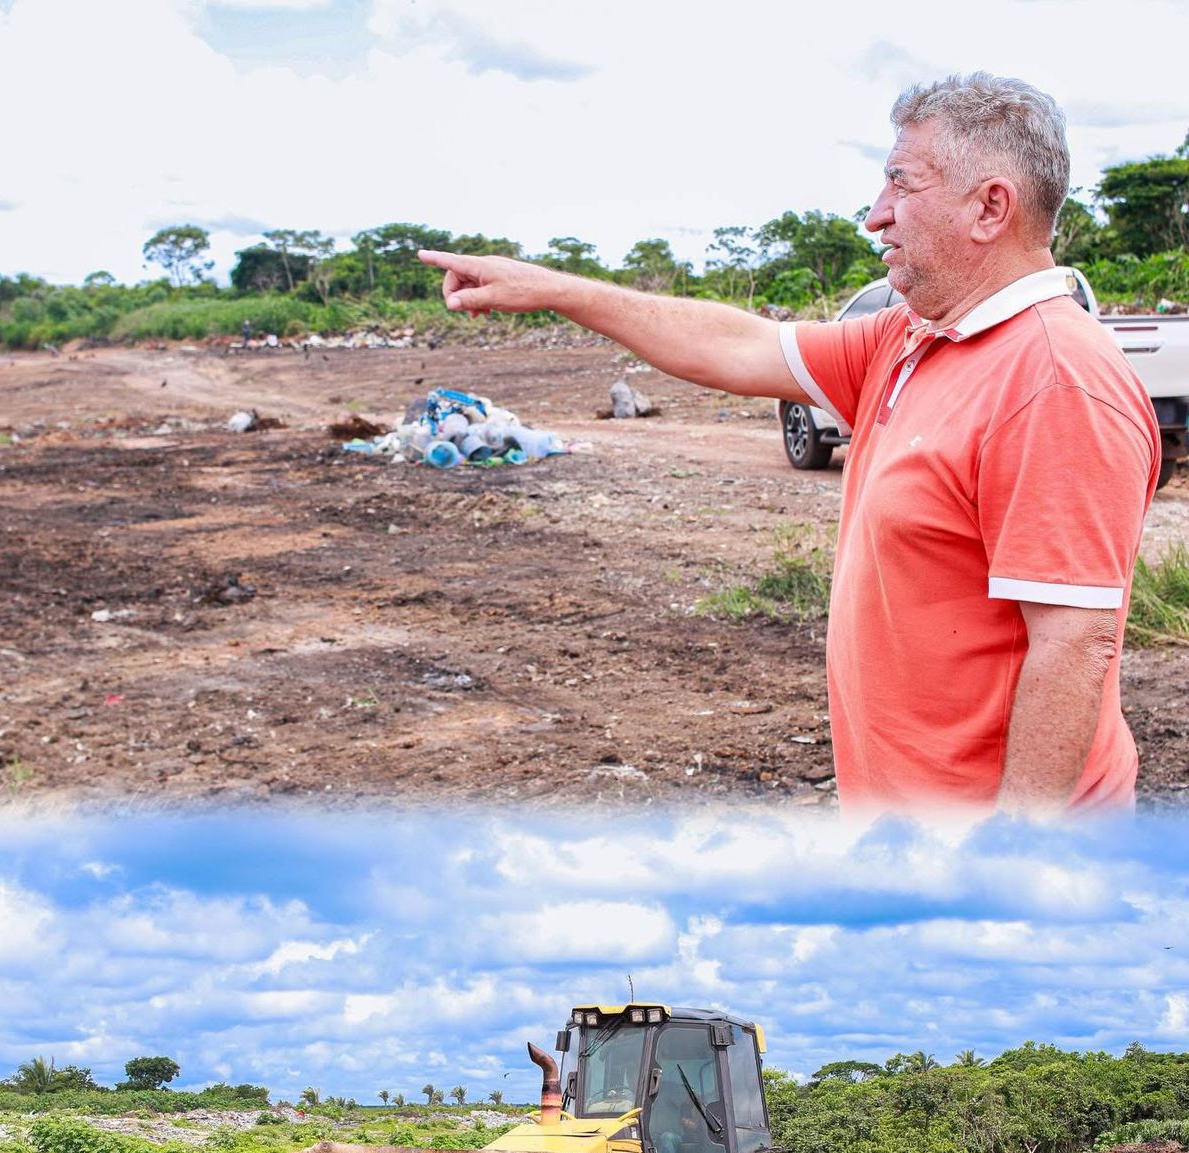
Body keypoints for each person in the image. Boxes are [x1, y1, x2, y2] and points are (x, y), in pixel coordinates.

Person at [419, 73, 1161, 815]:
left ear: (990, 206)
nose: (877, 217)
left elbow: (1073, 646)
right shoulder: (911, 338)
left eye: (902, 186)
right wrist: (553, 287)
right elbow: (737, 346)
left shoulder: (1055, 382)